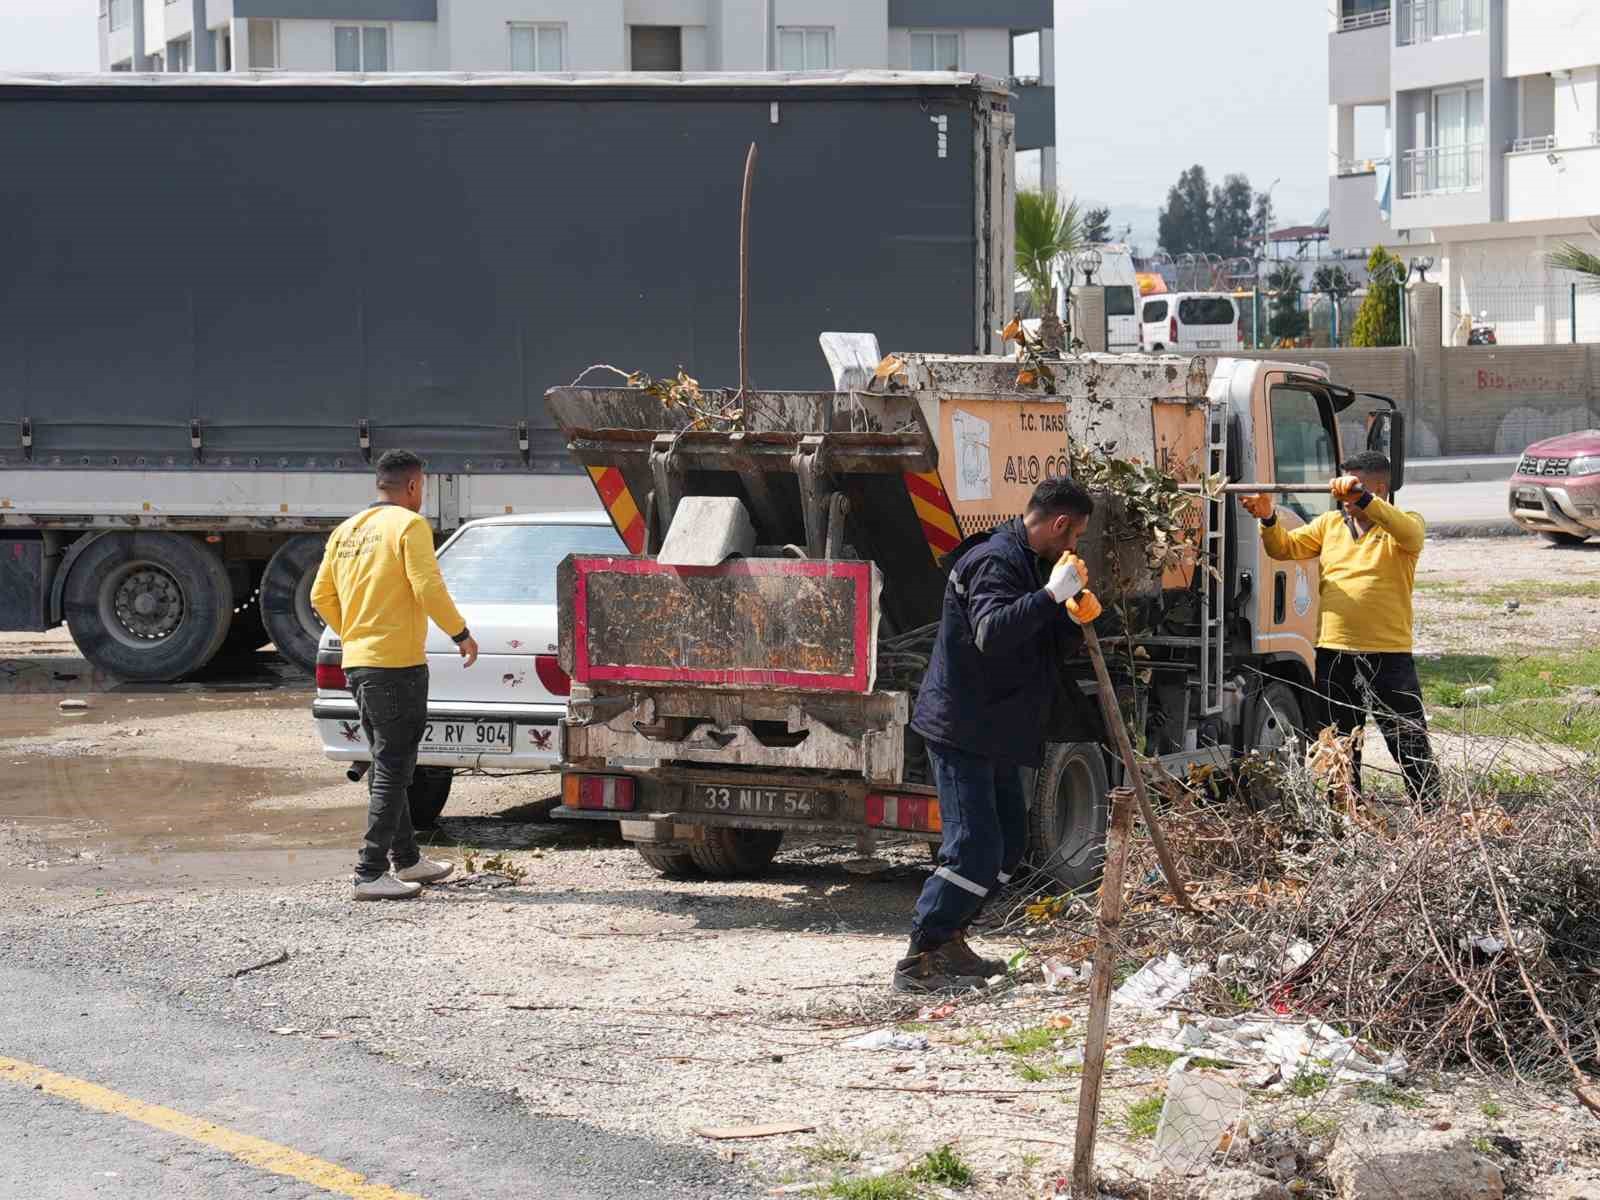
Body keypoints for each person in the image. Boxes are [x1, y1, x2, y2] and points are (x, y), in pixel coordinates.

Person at [894, 477, 1103, 992]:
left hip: (996, 728)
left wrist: (1073, 618)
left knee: (1009, 844)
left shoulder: (1030, 563)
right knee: (973, 847)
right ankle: (920, 957)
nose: (1074, 546)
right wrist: (1052, 595)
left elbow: (1034, 638)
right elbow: (993, 633)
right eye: (1074, 534)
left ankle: (953, 939)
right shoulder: (994, 560)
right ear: (1059, 524)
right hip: (962, 725)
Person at [311, 450, 481, 901]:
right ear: (411, 486)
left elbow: (319, 595)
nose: (421, 495)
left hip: (359, 662)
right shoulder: (409, 526)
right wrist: (460, 633)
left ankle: (406, 859)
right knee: (393, 766)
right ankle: (369, 872)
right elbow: (428, 586)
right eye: (421, 487)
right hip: (396, 666)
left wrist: (356, 633)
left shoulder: (346, 531)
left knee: (387, 760)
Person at [1241, 450, 1439, 804]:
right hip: (1334, 653)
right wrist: (1268, 517)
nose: (1345, 500)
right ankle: (1346, 816)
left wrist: (1361, 496)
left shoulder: (1403, 525)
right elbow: (1285, 549)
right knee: (1339, 743)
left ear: (1379, 487)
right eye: (1345, 490)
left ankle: (1431, 811)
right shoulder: (1330, 526)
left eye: (1356, 489)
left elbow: (1411, 533)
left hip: (1387, 655)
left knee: (1407, 739)